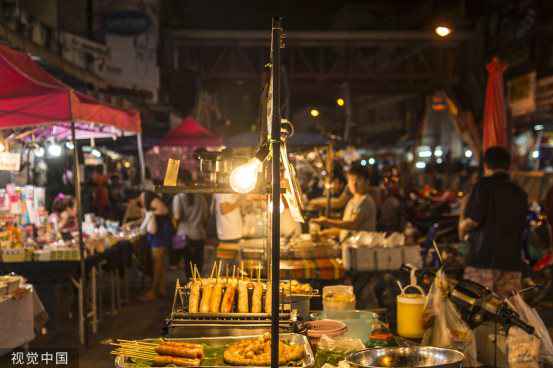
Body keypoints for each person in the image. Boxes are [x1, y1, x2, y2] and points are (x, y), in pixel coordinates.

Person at [459, 146, 528, 297]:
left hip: (482, 261)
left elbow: (474, 220)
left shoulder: (482, 186)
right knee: (509, 312)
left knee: (479, 310)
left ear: (485, 165)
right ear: (508, 166)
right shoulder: (519, 192)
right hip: (511, 262)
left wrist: (462, 228)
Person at [312, 164, 377, 241]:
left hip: (360, 250)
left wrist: (326, 221)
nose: (354, 184)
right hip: (348, 248)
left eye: (358, 180)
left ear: (367, 182)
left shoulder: (366, 201)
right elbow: (345, 229)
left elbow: (352, 224)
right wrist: (324, 233)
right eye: (351, 180)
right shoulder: (351, 201)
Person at [139, 191, 173, 300]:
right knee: (160, 264)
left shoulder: (150, 199)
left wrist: (152, 214)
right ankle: (161, 290)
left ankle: (153, 291)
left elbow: (165, 210)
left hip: (160, 236)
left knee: (157, 264)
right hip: (159, 235)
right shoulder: (147, 200)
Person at [173, 173, 209, 274]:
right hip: (199, 235)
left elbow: (177, 217)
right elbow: (206, 216)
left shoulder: (178, 197)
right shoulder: (201, 196)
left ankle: (188, 287)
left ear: (180, 182)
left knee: (186, 267)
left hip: (183, 237)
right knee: (198, 266)